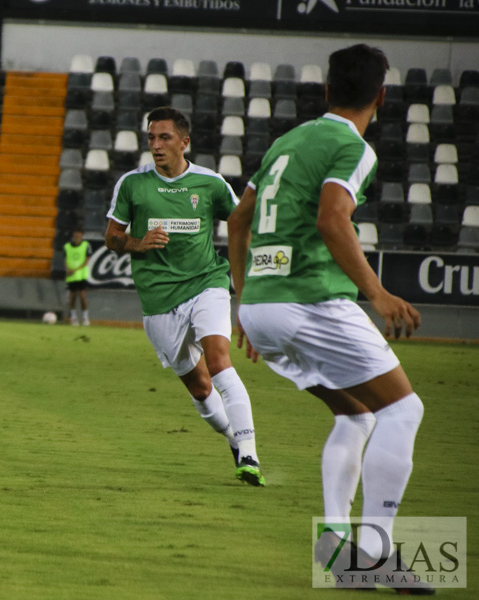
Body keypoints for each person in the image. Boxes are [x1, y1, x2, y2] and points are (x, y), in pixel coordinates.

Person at [228, 44, 431, 593]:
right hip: (309, 300)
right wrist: (379, 293)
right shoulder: (352, 146)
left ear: (325, 91)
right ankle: (377, 553)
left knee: (357, 416)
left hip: (264, 307)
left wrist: (243, 305)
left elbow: (238, 222)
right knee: (404, 409)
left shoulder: (285, 142)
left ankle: (339, 548)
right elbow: (332, 219)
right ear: (381, 97)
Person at [104, 106, 264, 486]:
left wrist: (252, 285)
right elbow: (111, 237)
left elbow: (241, 224)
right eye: (151, 138)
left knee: (220, 359)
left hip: (207, 283)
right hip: (159, 301)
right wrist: (137, 243)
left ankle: (250, 454)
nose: (156, 146)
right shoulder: (132, 184)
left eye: (165, 138)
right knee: (200, 387)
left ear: (184, 142)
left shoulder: (209, 183)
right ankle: (232, 439)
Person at [63, 229, 91, 326]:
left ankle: (85, 317)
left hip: (81, 275)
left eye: (78, 234)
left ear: (82, 235)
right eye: (75, 234)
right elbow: (65, 259)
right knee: (72, 297)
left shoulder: (86, 245)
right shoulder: (67, 247)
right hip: (71, 276)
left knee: (82, 296)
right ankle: (74, 318)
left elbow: (87, 260)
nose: (77, 236)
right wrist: (68, 269)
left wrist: (76, 269)